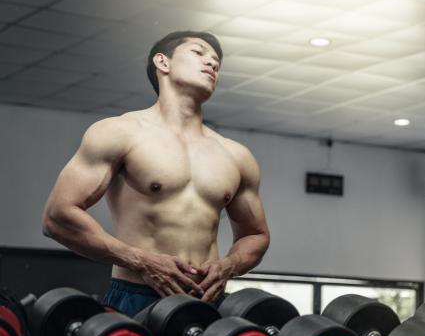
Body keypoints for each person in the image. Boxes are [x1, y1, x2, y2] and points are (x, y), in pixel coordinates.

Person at [42, 31, 270, 317]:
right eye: (199, 53)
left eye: (216, 61)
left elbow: (256, 235)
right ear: (163, 62)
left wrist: (228, 266)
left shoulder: (236, 155)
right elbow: (57, 217)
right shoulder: (119, 133)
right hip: (138, 296)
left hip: (209, 302)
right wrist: (140, 260)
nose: (212, 63)